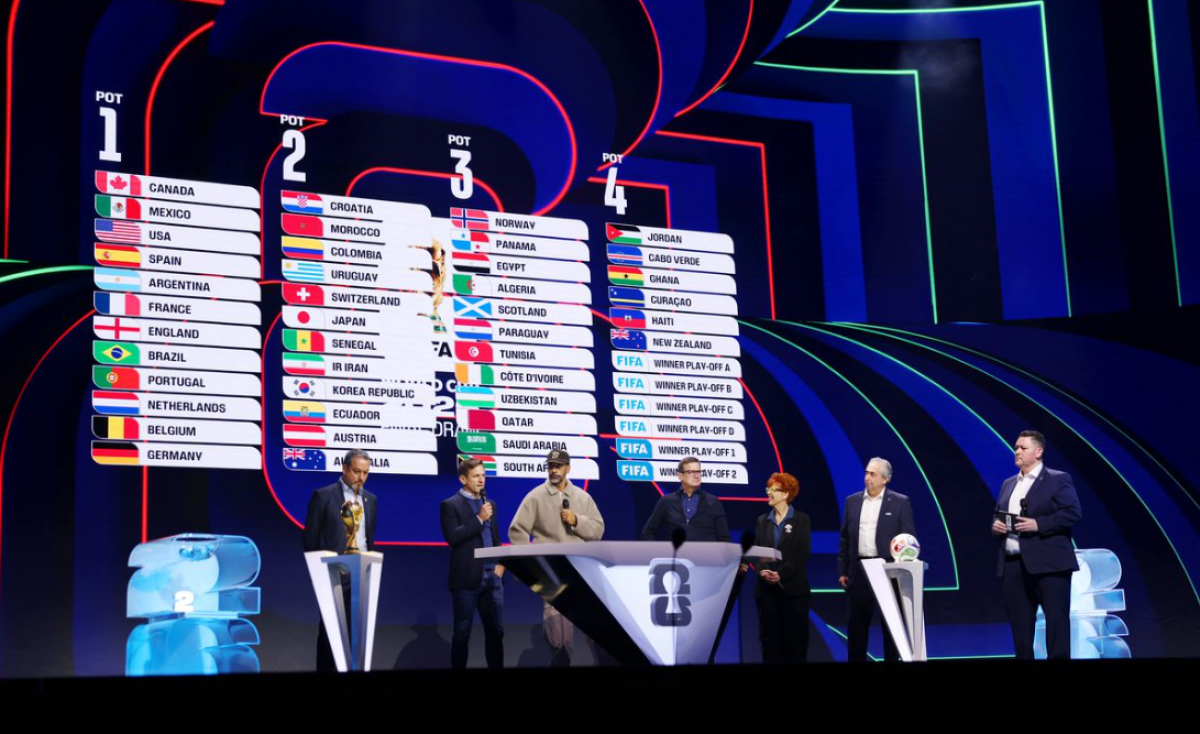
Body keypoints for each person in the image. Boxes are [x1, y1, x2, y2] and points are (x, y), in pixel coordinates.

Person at [509, 449, 604, 667]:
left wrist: (576, 520)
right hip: (551, 574)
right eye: (550, 466)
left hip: (580, 572)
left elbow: (598, 529)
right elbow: (517, 531)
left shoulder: (582, 497)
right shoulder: (535, 497)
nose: (553, 470)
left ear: (567, 468)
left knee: (597, 631)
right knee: (559, 639)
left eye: (558, 466)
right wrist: (531, 567)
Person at [991, 430, 1081, 659]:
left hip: (1050, 564)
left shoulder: (1058, 479)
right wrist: (996, 526)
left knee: (1056, 623)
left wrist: (1038, 524)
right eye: (1016, 447)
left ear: (1038, 452)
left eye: (1023, 447)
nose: (1017, 451)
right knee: (1020, 627)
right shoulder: (1008, 483)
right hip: (1013, 564)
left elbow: (1072, 513)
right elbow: (997, 514)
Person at [302, 448, 377, 673]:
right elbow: (310, 538)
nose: (361, 477)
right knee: (330, 634)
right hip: (333, 573)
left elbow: (368, 538)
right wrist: (320, 571)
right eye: (356, 471)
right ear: (344, 468)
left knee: (357, 636)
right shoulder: (323, 496)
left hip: (361, 573)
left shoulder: (371, 499)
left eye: (365, 472)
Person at [837, 457, 915, 663]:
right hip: (859, 572)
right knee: (856, 629)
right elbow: (845, 538)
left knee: (891, 629)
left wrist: (902, 572)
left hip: (888, 572)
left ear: (885, 479)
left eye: (872, 474)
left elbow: (908, 539)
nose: (867, 477)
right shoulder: (852, 501)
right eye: (866, 472)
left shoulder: (900, 502)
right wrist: (843, 571)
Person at [440, 457, 504, 669]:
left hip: (493, 578)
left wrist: (501, 565)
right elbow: (453, 537)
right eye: (476, 476)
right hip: (467, 579)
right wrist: (479, 519)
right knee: (462, 634)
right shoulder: (450, 505)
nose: (481, 480)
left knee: (496, 633)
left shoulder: (490, 505)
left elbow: (496, 537)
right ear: (463, 479)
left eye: (483, 475)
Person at [754, 472, 811, 664]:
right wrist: (762, 570)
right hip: (767, 595)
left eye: (773, 490)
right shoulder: (762, 520)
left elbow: (802, 553)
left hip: (793, 593)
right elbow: (758, 551)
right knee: (770, 647)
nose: (769, 493)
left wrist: (780, 573)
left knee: (795, 646)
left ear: (786, 494)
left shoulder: (802, 520)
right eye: (768, 489)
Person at [640, 456, 730, 542]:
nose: (696, 476)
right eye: (691, 472)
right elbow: (648, 532)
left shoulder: (713, 502)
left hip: (706, 553)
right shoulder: (666, 502)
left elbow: (724, 538)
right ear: (680, 476)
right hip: (676, 553)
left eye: (698, 472)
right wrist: (656, 551)